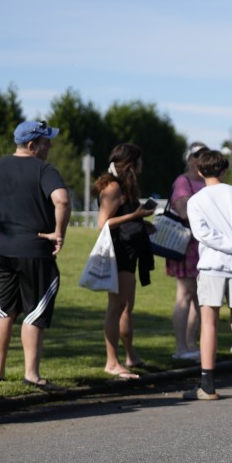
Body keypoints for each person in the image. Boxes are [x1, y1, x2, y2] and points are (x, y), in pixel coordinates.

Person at [0, 119, 70, 393]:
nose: (50, 146)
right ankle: (32, 375)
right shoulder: (44, 170)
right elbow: (62, 199)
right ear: (32, 145)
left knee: (4, 309)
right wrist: (58, 233)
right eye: (46, 142)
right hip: (35, 249)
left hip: (3, 247)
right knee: (34, 312)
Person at [184, 149, 232, 401]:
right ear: (224, 170)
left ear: (200, 171)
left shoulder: (196, 200)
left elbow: (203, 235)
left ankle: (208, 385)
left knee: (209, 324)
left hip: (211, 266)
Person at [93, 143, 156, 379]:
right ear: (131, 163)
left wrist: (141, 223)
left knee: (126, 306)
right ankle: (111, 362)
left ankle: (129, 356)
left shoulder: (125, 185)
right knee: (116, 307)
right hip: (118, 252)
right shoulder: (112, 187)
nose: (142, 164)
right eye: (140, 160)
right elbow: (103, 223)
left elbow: (121, 217)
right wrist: (135, 215)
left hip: (129, 252)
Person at [166, 142, 208, 360]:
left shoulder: (207, 182)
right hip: (186, 245)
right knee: (185, 294)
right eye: (198, 155)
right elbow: (184, 211)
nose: (201, 159)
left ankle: (191, 344)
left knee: (199, 297)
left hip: (204, 246)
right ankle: (181, 346)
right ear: (190, 159)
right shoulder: (184, 181)